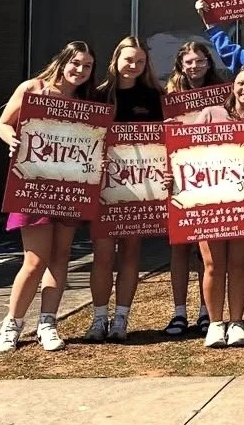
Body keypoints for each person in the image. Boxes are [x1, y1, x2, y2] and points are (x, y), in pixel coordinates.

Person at [0, 42, 97, 352]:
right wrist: (11, 138)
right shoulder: (32, 88)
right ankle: (11, 324)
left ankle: (48, 323)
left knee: (61, 257)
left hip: (69, 188)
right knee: (35, 260)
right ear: (63, 61)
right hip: (34, 185)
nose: (80, 70)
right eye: (76, 63)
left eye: (87, 66)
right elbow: (3, 123)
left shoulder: (84, 103)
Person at [85, 37, 165, 343]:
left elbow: (170, 141)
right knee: (103, 254)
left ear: (147, 65)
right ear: (116, 60)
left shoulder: (156, 97)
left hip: (141, 189)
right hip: (105, 190)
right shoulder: (99, 95)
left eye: (140, 61)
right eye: (128, 60)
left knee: (131, 254)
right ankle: (98, 319)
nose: (133, 66)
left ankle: (121, 320)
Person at [193, 66, 244, 347]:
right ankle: (216, 324)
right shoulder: (211, 115)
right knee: (213, 264)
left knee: (239, 265)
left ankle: (238, 322)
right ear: (233, 86)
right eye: (241, 83)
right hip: (210, 203)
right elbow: (188, 153)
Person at [161, 41, 223, 336]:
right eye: (189, 62)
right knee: (179, 249)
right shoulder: (170, 96)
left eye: (200, 61)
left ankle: (204, 310)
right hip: (177, 177)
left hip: (209, 179)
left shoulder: (222, 95)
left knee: (204, 252)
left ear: (209, 63)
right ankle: (178, 312)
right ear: (180, 66)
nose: (194, 67)